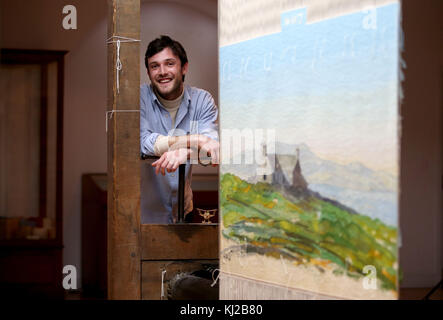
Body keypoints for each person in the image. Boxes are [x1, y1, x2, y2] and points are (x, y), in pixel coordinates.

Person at [140, 35, 219, 224]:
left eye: (169, 64)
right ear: (149, 72)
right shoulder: (139, 97)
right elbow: (144, 143)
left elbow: (212, 149)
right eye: (154, 66)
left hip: (184, 212)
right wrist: (195, 140)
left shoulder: (202, 100)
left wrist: (184, 151)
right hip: (144, 216)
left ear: (184, 67)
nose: (162, 71)